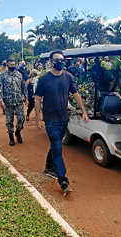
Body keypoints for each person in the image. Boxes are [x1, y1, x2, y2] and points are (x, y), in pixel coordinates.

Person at [35, 50, 89, 195]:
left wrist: (83, 110)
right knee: (58, 148)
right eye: (57, 60)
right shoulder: (44, 79)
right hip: (51, 120)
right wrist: (38, 119)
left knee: (55, 145)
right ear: (51, 62)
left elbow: (75, 94)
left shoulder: (68, 77)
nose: (60, 63)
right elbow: (38, 99)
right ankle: (63, 180)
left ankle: (48, 167)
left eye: (62, 60)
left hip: (64, 119)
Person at [0, 59, 28, 146]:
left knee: (21, 118)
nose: (13, 66)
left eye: (14, 64)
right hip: (8, 101)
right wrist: (1, 101)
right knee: (9, 121)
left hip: (18, 100)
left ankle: (18, 132)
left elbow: (23, 87)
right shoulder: (2, 76)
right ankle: (11, 136)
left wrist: (26, 97)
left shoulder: (19, 74)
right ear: (7, 65)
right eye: (11, 64)